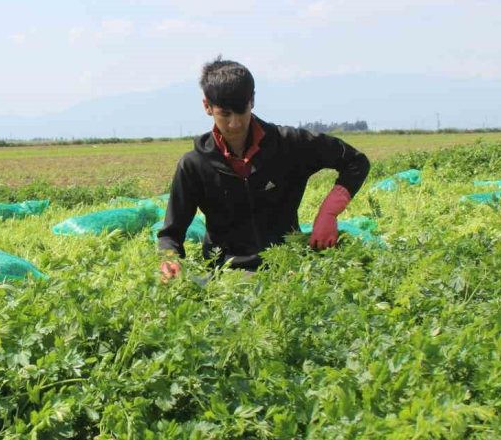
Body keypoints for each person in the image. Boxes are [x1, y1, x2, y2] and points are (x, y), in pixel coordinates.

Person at [158, 57, 370, 279]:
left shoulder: (289, 144)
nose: (235, 123)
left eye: (241, 111)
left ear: (252, 101)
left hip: (288, 267)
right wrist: (169, 259)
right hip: (224, 276)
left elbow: (355, 161)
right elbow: (171, 233)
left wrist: (329, 212)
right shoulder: (194, 165)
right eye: (225, 113)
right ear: (207, 107)